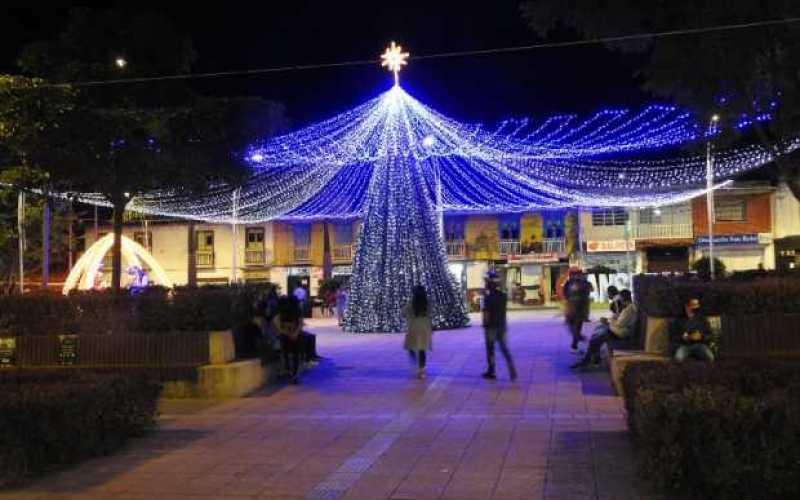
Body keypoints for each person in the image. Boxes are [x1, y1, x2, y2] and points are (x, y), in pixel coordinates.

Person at [571, 289, 637, 369]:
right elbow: (619, 321)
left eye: (621, 298)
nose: (620, 300)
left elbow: (619, 323)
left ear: (623, 298)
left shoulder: (629, 309)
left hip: (620, 333)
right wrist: (610, 321)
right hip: (617, 331)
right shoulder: (628, 308)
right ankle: (592, 359)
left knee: (596, 338)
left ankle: (587, 360)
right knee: (597, 336)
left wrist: (609, 322)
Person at [482, 278, 517, 381]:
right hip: (502, 325)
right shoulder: (503, 296)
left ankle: (491, 371)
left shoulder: (488, 298)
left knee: (490, 350)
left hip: (491, 327)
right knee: (504, 349)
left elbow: (486, 313)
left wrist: (484, 324)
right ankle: (512, 369)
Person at [672, 298, 715, 363]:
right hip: (684, 346)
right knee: (678, 359)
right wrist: (682, 337)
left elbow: (710, 335)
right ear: (686, 307)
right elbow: (673, 336)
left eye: (697, 306)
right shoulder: (678, 320)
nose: (695, 308)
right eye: (693, 306)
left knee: (710, 358)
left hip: (699, 345)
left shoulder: (702, 319)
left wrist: (701, 336)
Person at [272, 295, 304, 384]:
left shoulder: (282, 312)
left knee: (288, 354)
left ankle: (290, 372)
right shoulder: (296, 311)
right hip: (292, 336)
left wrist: (288, 333)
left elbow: (277, 325)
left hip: (288, 336)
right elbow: (300, 323)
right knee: (293, 354)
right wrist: (294, 334)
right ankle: (292, 373)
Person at [403, 285, 433, 379]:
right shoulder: (427, 302)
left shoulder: (411, 302)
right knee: (422, 350)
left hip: (413, 328)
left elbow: (404, 313)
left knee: (411, 348)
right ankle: (421, 369)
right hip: (424, 328)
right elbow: (430, 314)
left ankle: (416, 365)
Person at [563, 268, 593, 352]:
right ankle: (577, 339)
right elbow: (565, 293)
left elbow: (565, 293)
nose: (575, 276)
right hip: (574, 307)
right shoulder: (571, 283)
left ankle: (575, 344)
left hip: (578, 308)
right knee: (574, 326)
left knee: (575, 326)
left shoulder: (581, 283)